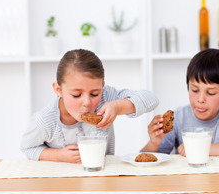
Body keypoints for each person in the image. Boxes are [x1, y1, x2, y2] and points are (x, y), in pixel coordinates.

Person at [20, 49, 159, 163]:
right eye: (76, 95)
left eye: (94, 94)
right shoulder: (45, 120)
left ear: (102, 87)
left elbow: (151, 99)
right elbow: (27, 148)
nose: (87, 102)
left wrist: (118, 106)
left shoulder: (106, 98)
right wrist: (57, 155)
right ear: (58, 90)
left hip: (101, 177)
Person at [141, 48, 219, 156]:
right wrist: (153, 143)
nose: (200, 99)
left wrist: (204, 148)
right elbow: (146, 160)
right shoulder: (179, 118)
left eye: (211, 93)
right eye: (194, 90)